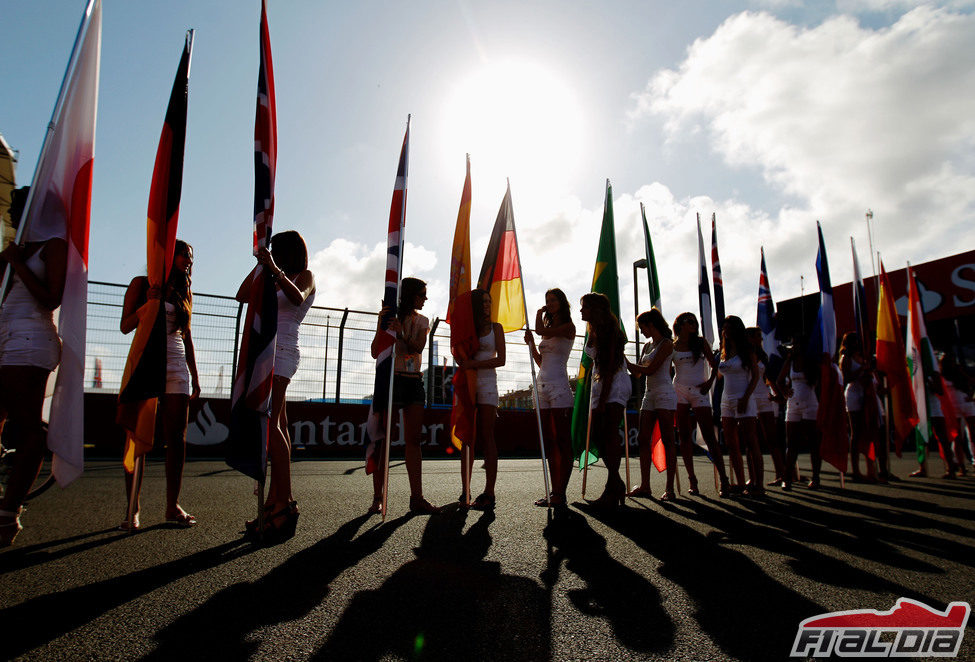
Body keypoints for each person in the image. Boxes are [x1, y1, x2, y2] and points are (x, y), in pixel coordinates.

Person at [235, 230, 315, 539]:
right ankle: (274, 503)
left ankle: (285, 503)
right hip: (265, 350)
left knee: (271, 425)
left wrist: (275, 269)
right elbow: (242, 295)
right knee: (277, 423)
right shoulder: (270, 277)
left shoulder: (304, 275)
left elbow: (298, 296)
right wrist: (260, 264)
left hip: (283, 352)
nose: (273, 255)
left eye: (276, 251)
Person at [119, 240, 201, 529]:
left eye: (191, 257)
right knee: (137, 434)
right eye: (183, 255)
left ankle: (171, 506)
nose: (188, 261)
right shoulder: (140, 284)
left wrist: (195, 373)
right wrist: (148, 304)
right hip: (145, 362)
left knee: (176, 439)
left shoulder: (184, 290)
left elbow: (186, 335)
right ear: (167, 255)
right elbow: (126, 325)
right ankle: (133, 507)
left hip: (176, 366)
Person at [0, 187, 66, 546]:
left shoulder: (53, 245)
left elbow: (50, 297)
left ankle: (9, 514)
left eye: (16, 208)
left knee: (27, 427)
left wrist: (17, 264)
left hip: (30, 340)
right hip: (3, 338)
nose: (10, 214)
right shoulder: (14, 250)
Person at [368, 277, 439, 515]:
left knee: (414, 440)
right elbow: (375, 351)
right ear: (410, 295)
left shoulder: (423, 321)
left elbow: (417, 347)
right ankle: (378, 497)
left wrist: (401, 333)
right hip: (391, 380)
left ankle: (417, 497)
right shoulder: (389, 317)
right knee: (383, 440)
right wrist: (383, 325)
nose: (425, 298)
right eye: (421, 294)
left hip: (413, 381)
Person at [455, 289, 505, 509]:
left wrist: (473, 364)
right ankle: (465, 489)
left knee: (487, 436)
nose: (487, 305)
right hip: (468, 383)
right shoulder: (468, 328)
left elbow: (501, 360)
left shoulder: (496, 328)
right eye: (483, 302)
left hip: (487, 385)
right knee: (468, 437)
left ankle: (489, 492)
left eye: (489, 301)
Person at [524, 288, 575, 508]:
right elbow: (540, 361)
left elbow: (538, 328)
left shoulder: (567, 327)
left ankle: (561, 492)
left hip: (560, 387)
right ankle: (554, 491)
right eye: (547, 300)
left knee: (562, 440)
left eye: (553, 300)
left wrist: (537, 313)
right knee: (549, 442)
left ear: (562, 302)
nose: (550, 303)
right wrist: (531, 345)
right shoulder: (546, 332)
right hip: (542, 385)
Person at [580, 292, 631, 509]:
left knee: (608, 433)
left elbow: (610, 366)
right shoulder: (594, 330)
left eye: (585, 307)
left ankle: (612, 487)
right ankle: (616, 483)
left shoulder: (610, 331)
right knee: (599, 437)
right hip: (600, 385)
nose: (581, 311)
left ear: (595, 309)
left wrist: (602, 400)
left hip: (614, 384)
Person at [671, 312, 729, 497]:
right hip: (679, 390)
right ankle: (692, 480)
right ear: (680, 324)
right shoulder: (673, 346)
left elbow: (715, 366)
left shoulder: (701, 342)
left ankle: (724, 480)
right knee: (685, 436)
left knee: (709, 436)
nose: (694, 324)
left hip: (700, 390)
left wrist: (710, 382)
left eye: (695, 321)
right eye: (689, 321)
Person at [625, 309, 678, 499]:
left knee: (668, 439)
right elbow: (638, 374)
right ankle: (645, 485)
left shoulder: (667, 344)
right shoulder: (647, 345)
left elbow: (651, 369)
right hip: (650, 393)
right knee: (643, 438)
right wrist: (627, 364)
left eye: (642, 327)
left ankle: (669, 488)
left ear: (651, 324)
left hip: (665, 393)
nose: (641, 332)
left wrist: (626, 362)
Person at [718, 316, 764, 496]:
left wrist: (746, 397)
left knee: (751, 442)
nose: (726, 331)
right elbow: (719, 373)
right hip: (726, 400)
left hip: (743, 397)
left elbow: (755, 376)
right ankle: (740, 482)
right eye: (724, 328)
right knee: (732, 444)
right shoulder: (724, 350)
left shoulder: (747, 350)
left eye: (729, 327)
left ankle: (759, 484)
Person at [777, 338, 820, 489]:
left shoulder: (811, 362)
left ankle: (816, 477)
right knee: (792, 443)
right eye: (793, 345)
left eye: (797, 345)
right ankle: (787, 478)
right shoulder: (789, 362)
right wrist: (784, 392)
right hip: (793, 404)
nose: (794, 348)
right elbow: (779, 381)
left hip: (810, 402)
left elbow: (816, 380)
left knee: (813, 442)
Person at [747, 327, 787, 486]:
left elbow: (770, 377)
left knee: (772, 439)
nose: (760, 339)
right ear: (749, 338)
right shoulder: (743, 356)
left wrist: (778, 395)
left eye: (760, 336)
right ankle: (753, 477)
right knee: (751, 441)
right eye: (757, 336)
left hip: (764, 397)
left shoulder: (763, 356)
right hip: (749, 398)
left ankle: (782, 475)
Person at [839, 332, 878, 482]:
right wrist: (862, 369)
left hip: (867, 394)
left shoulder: (862, 356)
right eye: (852, 341)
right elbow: (847, 378)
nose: (856, 344)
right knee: (856, 433)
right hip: (854, 396)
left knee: (869, 431)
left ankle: (871, 469)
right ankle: (855, 470)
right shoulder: (846, 358)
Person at [942, 352, 974, 473]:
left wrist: (972, 396)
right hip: (961, 405)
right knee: (962, 436)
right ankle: (961, 464)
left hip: (959, 406)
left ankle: (962, 465)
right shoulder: (956, 373)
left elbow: (971, 382)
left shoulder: (948, 375)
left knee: (961, 436)